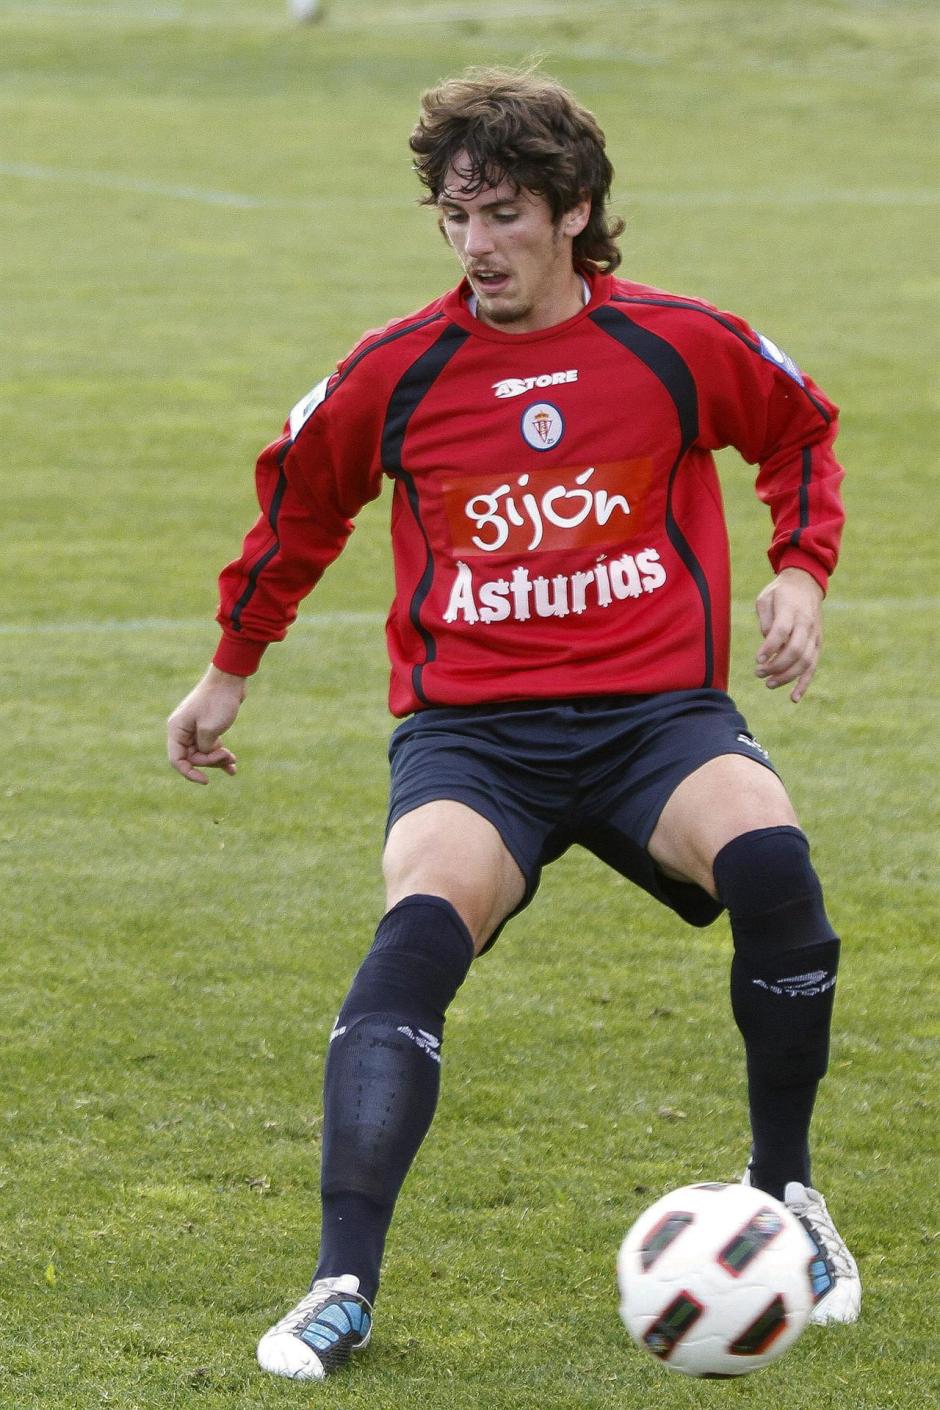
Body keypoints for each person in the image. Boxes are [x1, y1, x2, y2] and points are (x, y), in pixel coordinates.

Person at [167, 66, 861, 1382]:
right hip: (475, 735)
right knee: (419, 924)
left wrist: (800, 569)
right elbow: (299, 505)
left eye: (504, 216)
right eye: (456, 217)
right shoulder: (401, 369)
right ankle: (340, 1283)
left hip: (659, 719)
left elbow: (803, 432)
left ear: (574, 210)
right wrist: (229, 667)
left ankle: (786, 1197)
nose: (477, 245)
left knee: (774, 860)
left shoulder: (675, 341)